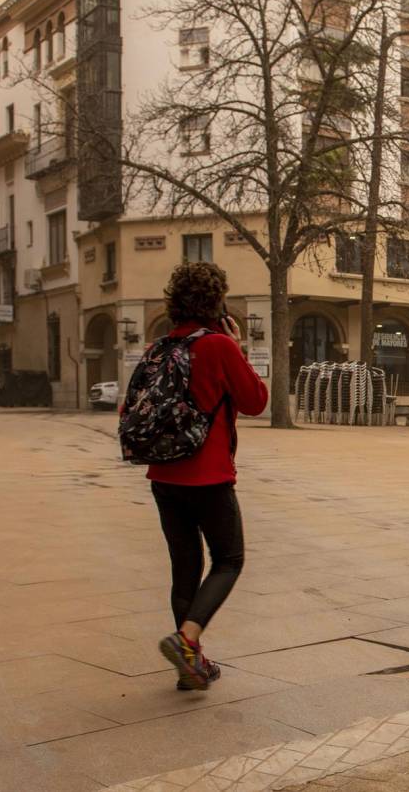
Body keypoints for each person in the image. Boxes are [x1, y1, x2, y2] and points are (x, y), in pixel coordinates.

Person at [148, 262, 268, 691]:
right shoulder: (219, 346)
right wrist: (237, 347)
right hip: (208, 474)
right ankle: (187, 641)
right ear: (217, 302)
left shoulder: (159, 347)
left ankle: (191, 668)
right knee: (229, 559)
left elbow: (133, 410)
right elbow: (255, 400)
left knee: (185, 568)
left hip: (163, 475)